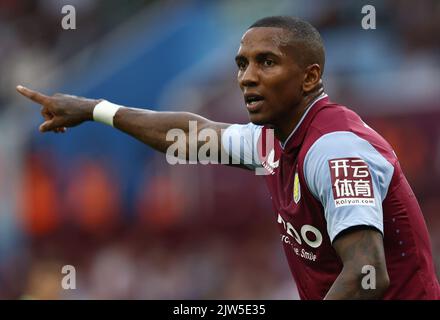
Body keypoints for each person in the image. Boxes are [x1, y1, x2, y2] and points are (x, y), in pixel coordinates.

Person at [17, 16, 439, 300]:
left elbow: (368, 273)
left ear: (310, 77)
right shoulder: (274, 141)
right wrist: (95, 110)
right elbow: (190, 134)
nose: (247, 77)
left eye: (266, 62)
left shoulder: (334, 148)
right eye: (242, 64)